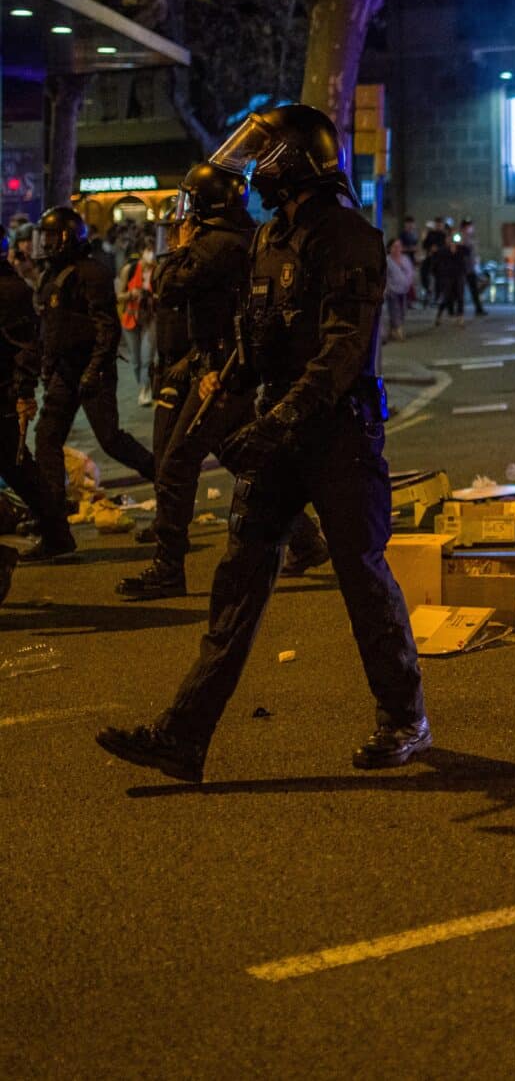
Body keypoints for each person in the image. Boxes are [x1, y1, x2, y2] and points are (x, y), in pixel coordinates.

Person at [95, 103, 430, 783]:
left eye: (266, 154)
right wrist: (228, 393)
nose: (253, 168)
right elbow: (257, 338)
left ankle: (404, 715)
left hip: (339, 435)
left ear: (296, 162)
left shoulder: (348, 238)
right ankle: (183, 735)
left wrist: (275, 421)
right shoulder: (267, 237)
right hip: (281, 432)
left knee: (361, 576)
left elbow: (341, 354)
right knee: (237, 582)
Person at [117, 163, 330, 601]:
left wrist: (177, 248)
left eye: (191, 203)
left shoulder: (216, 245)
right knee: (245, 460)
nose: (184, 215)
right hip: (220, 365)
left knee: (176, 464)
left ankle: (168, 568)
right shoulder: (244, 237)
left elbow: (170, 287)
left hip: (223, 370)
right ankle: (307, 541)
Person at [30, 205, 155, 509]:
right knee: (46, 439)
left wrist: (94, 369)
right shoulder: (52, 275)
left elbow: (106, 327)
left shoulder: (92, 272)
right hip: (64, 370)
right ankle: (53, 520)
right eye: (43, 237)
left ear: (68, 237)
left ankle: (166, 478)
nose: (45, 244)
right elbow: (50, 327)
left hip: (92, 370)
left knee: (110, 440)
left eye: (51, 237)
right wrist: (47, 369)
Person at [1, 251, 77, 562]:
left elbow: (25, 347)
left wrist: (23, 393)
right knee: (19, 469)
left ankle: (57, 533)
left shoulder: (10, 290)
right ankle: (57, 533)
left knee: (20, 469)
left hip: (2, 392)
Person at [120, 244, 155, 405]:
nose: (151, 254)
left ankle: (145, 390)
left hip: (150, 318)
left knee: (146, 358)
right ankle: (142, 386)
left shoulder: (158, 270)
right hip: (131, 317)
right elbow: (118, 296)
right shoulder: (130, 269)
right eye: (148, 250)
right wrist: (130, 294)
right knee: (135, 360)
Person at [384, 237, 416, 339]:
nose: (398, 248)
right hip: (392, 290)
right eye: (395, 246)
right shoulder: (387, 261)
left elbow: (411, 272)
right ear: (390, 248)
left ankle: (393, 329)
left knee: (402, 311)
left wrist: (409, 282)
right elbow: (384, 276)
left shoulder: (405, 259)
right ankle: (399, 331)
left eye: (399, 246)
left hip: (404, 289)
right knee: (395, 310)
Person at [457, 218, 488, 316]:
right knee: (460, 289)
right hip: (463, 268)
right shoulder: (460, 238)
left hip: (470, 267)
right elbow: (462, 253)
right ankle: (474, 309)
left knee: (474, 288)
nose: (471, 229)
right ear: (464, 228)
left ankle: (478, 308)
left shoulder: (470, 238)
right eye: (469, 227)